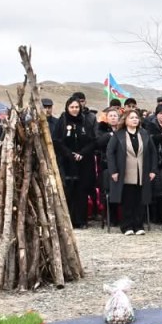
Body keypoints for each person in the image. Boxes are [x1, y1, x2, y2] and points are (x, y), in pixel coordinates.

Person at [106, 109, 156, 235]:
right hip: (125, 172)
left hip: (142, 172)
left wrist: (153, 170)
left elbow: (153, 153)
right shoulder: (118, 134)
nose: (135, 120)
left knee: (140, 200)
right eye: (132, 117)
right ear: (125, 120)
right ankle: (127, 226)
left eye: (136, 118)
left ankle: (138, 225)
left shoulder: (144, 134)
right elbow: (110, 153)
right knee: (127, 200)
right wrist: (113, 171)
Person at [52, 98, 98, 229]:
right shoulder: (62, 121)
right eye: (72, 107)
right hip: (67, 162)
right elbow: (57, 141)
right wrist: (69, 154)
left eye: (77, 107)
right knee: (69, 190)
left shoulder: (86, 121)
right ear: (67, 108)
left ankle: (81, 220)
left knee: (81, 191)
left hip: (83, 161)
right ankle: (69, 220)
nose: (74, 109)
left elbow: (93, 141)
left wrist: (82, 153)